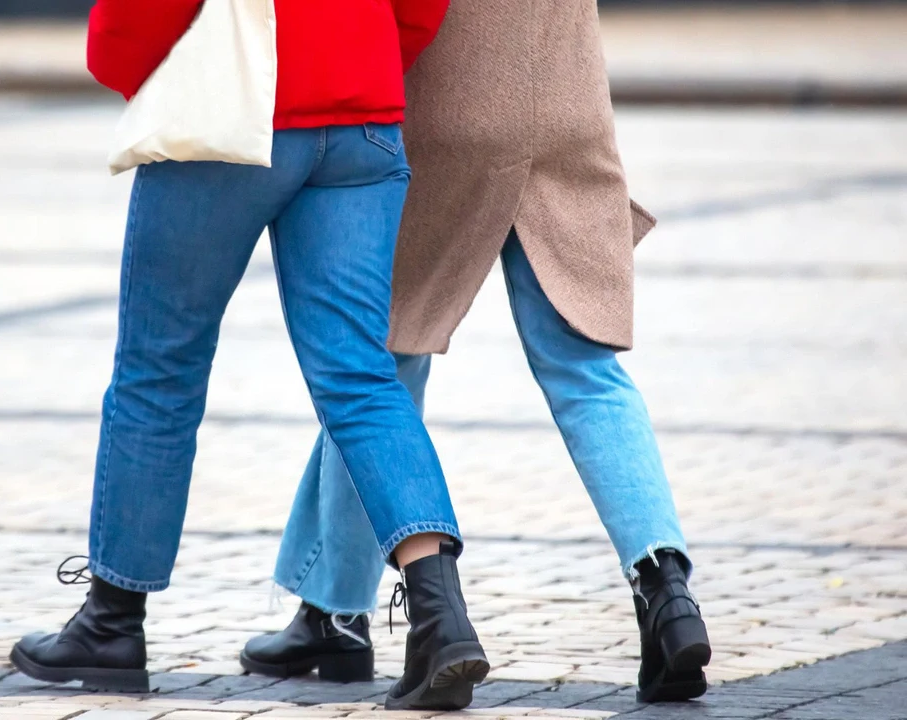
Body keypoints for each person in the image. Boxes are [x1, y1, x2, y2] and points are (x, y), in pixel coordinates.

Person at [10, 0, 494, 711]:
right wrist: (367, 58)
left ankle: (111, 625)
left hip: (232, 111)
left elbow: (135, 18)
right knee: (363, 378)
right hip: (362, 112)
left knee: (158, 374)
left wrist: (139, 68)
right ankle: (441, 617)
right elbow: (420, 7)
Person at [238, 0, 714, 704]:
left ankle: (339, 616)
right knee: (586, 370)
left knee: (383, 362)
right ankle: (666, 589)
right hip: (568, 98)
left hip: (451, 100)